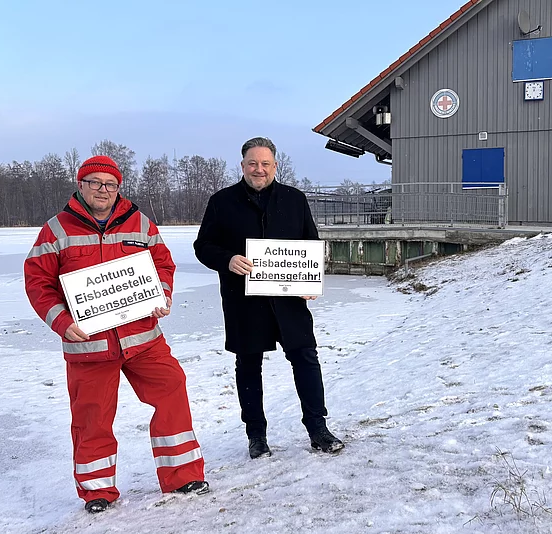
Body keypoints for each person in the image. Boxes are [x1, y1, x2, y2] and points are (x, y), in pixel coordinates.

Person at [24, 155, 209, 514]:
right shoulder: (56, 230)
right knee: (92, 417)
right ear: (81, 186)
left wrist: (162, 295)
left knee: (172, 390)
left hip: (142, 339)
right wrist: (62, 322)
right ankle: (97, 490)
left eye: (109, 184)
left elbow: (163, 264)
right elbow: (38, 283)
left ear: (118, 188)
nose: (103, 190)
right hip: (88, 345)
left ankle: (183, 474)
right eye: (95, 183)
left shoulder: (140, 223)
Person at [193, 137, 344, 459]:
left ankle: (318, 428)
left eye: (265, 164)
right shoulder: (222, 201)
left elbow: (310, 242)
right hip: (243, 300)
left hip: (289, 300)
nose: (258, 169)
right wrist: (227, 259)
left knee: (305, 357)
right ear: (242, 165)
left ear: (276, 165)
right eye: (252, 163)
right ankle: (256, 435)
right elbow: (203, 246)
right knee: (248, 364)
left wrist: (311, 278)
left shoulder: (294, 199)